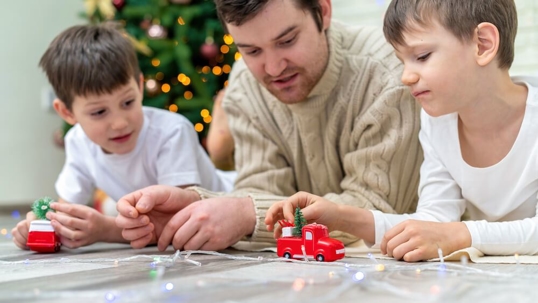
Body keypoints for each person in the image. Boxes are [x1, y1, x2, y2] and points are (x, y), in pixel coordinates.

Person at [114, 0, 422, 252]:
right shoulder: (245, 85)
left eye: (287, 41)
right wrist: (196, 205)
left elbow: (377, 211)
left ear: (323, 11)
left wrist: (248, 215)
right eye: (251, 51)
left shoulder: (388, 73)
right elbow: (261, 191)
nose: (273, 68)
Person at [266, 0, 538, 262]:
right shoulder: (437, 123)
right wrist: (339, 216)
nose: (405, 76)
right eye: (402, 61)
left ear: (483, 44)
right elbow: (433, 222)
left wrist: (461, 235)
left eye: (422, 56)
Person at [11, 24, 233, 250]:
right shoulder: (78, 141)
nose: (120, 123)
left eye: (127, 103)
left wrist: (106, 229)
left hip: (232, 199)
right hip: (145, 220)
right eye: (99, 112)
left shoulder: (171, 132)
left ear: (139, 86)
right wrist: (41, 227)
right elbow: (64, 209)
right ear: (67, 113)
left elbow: (179, 222)